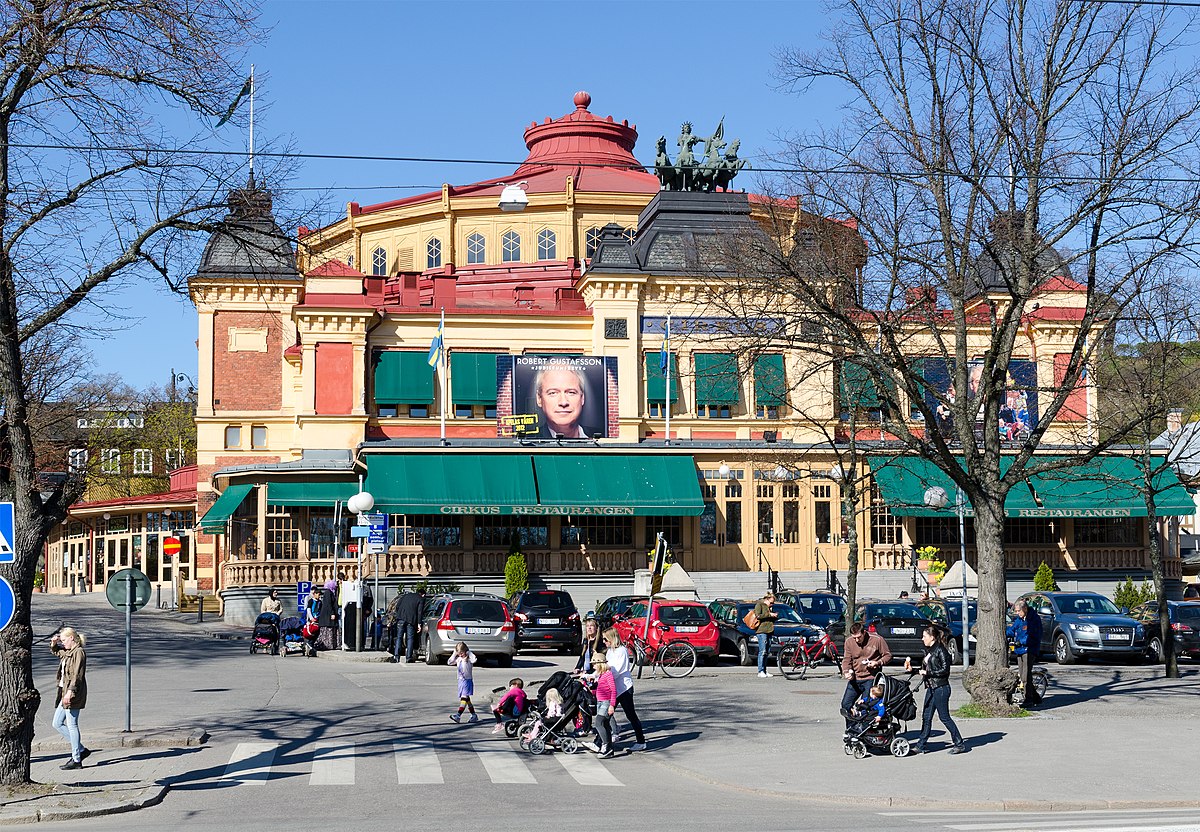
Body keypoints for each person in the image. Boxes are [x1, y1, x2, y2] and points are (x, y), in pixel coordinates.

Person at [905, 625, 966, 754]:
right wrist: (914, 670)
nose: (922, 639)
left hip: (941, 688)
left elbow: (945, 670)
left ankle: (959, 743)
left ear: (932, 637)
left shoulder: (941, 650)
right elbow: (926, 670)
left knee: (944, 717)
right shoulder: (929, 651)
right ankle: (921, 745)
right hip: (931, 687)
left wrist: (927, 672)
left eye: (924, 636)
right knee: (926, 717)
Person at [50, 627, 89, 770]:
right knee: (57, 723)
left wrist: (70, 692)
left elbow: (77, 675)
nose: (63, 643)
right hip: (64, 692)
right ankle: (81, 750)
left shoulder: (78, 653)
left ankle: (77, 759)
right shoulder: (68, 652)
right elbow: (57, 652)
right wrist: (54, 643)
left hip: (73, 693)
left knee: (72, 725)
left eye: (64, 640)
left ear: (72, 638)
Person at [840, 622, 892, 728]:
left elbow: (888, 656)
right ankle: (852, 729)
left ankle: (865, 732)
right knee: (846, 704)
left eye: (859, 637)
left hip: (871, 678)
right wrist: (846, 671)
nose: (857, 640)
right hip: (855, 678)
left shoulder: (877, 640)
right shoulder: (849, 642)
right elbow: (846, 660)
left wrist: (878, 662)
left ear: (864, 632)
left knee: (866, 706)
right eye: (854, 637)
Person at [603, 628, 647, 751]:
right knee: (606, 715)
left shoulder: (621, 651)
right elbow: (607, 667)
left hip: (624, 688)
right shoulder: (610, 651)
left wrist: (604, 677)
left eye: (605, 639)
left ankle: (641, 741)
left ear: (612, 639)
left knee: (631, 715)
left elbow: (617, 670)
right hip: (614, 688)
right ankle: (602, 741)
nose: (604, 642)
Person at [533, 364, 595, 439]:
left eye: (571, 392)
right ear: (539, 399)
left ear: (582, 398)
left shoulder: (600, 437)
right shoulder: (529, 441)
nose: (563, 402)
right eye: (553, 393)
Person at [1007, 599, 1043, 706]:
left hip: (1029, 650)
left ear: (1025, 609)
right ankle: (1036, 697)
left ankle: (1029, 699)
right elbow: (1012, 630)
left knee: (1025, 676)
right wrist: (1004, 633)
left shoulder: (1033, 619)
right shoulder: (1019, 619)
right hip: (1020, 650)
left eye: (1019, 611)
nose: (1017, 613)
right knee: (1023, 675)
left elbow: (1034, 636)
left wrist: (1020, 642)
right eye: (1016, 611)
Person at [589, 654, 617, 758]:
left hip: (606, 702)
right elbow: (601, 689)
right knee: (605, 725)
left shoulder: (608, 674)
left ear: (600, 664)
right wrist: (592, 689)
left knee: (598, 723)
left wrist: (612, 705)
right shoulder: (601, 675)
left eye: (594, 664)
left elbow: (613, 690)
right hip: (600, 702)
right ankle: (609, 748)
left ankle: (605, 746)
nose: (593, 666)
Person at [391, 587, 425, 663]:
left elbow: (397, 606)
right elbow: (419, 612)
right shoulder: (420, 599)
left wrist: (399, 615)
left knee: (399, 637)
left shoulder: (405, 596)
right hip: (411, 620)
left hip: (401, 618)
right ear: (423, 595)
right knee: (410, 639)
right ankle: (408, 658)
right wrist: (419, 624)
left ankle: (396, 657)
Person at [448, 642, 478, 723]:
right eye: (459, 653)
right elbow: (449, 662)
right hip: (461, 681)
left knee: (464, 698)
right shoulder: (459, 659)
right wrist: (454, 653)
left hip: (467, 681)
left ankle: (458, 715)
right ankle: (474, 715)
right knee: (467, 699)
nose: (461, 655)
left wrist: (469, 652)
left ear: (465, 651)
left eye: (462, 653)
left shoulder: (468, 660)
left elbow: (474, 659)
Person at [753, 592, 779, 678]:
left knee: (767, 652)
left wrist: (774, 616)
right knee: (762, 651)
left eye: (773, 603)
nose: (772, 605)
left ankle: (764, 670)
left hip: (769, 630)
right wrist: (769, 614)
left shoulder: (769, 608)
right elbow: (758, 616)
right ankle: (760, 671)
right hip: (762, 631)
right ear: (766, 600)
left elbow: (769, 619)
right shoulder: (759, 605)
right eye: (771, 603)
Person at [317, 579, 339, 651]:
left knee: (330, 631)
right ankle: (327, 645)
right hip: (327, 617)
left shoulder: (329, 592)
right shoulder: (328, 593)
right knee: (328, 631)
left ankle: (330, 645)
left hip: (328, 616)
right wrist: (332, 613)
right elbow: (329, 604)